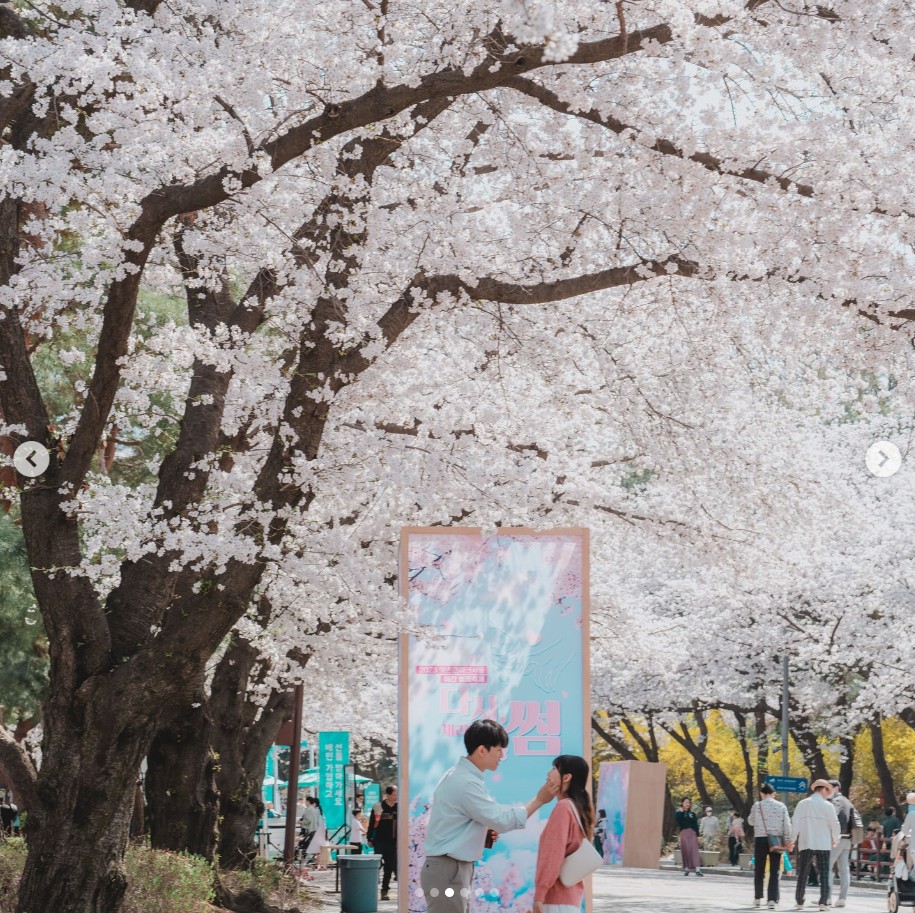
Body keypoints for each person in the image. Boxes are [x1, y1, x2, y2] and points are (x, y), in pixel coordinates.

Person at [420, 718, 559, 913]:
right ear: (482, 750)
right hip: (449, 869)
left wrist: (479, 833)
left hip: (450, 867)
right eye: (499, 750)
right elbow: (501, 821)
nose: (502, 756)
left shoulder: (460, 776)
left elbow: (457, 821)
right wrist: (539, 800)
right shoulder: (466, 782)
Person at [533, 755, 595, 913]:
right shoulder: (579, 809)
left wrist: (539, 895)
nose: (548, 774)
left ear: (566, 777)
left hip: (555, 901)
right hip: (570, 900)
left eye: (554, 769)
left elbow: (553, 854)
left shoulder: (563, 808)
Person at [792, 779, 840, 911]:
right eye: (827, 791)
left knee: (803, 872)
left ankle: (800, 901)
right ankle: (823, 902)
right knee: (824, 872)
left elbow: (795, 822)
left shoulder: (802, 804)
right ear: (823, 789)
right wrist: (836, 838)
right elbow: (834, 823)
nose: (828, 794)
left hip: (806, 842)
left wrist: (792, 840)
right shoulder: (827, 805)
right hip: (823, 844)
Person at [748, 783, 793, 909]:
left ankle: (757, 898)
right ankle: (772, 900)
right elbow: (787, 826)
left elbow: (750, 821)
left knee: (759, 869)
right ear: (773, 794)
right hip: (776, 841)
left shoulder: (757, 806)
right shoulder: (781, 806)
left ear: (762, 794)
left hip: (761, 840)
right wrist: (789, 840)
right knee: (774, 870)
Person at [828, 779, 860, 907]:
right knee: (844, 869)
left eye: (828, 788)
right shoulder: (848, 801)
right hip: (848, 839)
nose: (826, 791)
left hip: (837, 839)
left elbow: (832, 818)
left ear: (836, 788)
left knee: (827, 867)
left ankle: (827, 897)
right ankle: (842, 898)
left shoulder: (835, 801)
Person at [368, 785, 398, 901]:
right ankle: (372, 887)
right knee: (377, 864)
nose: (396, 797)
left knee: (389, 867)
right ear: (388, 795)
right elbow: (371, 824)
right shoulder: (378, 807)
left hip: (392, 842)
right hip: (379, 841)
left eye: (396, 795)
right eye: (394, 795)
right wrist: (369, 838)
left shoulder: (399, 807)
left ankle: (384, 890)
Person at [675, 798, 703, 876]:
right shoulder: (679, 812)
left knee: (694, 850)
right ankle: (687, 868)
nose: (688, 804)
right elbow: (678, 820)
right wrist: (682, 811)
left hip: (692, 833)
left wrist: (698, 836)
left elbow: (695, 825)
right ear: (682, 803)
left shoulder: (692, 813)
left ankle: (697, 869)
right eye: (686, 802)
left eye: (689, 802)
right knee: (686, 850)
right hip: (684, 833)